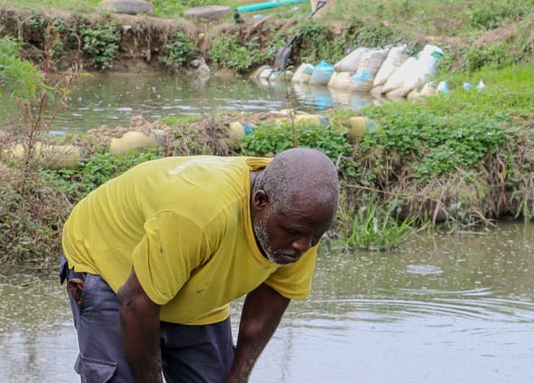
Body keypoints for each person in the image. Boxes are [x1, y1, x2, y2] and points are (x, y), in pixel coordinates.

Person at [59, 148, 340, 383]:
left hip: (189, 275)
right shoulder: (201, 214)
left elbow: (265, 310)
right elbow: (136, 302)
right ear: (260, 202)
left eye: (315, 237)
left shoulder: (299, 228)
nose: (303, 246)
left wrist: (237, 378)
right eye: (294, 233)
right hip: (111, 265)